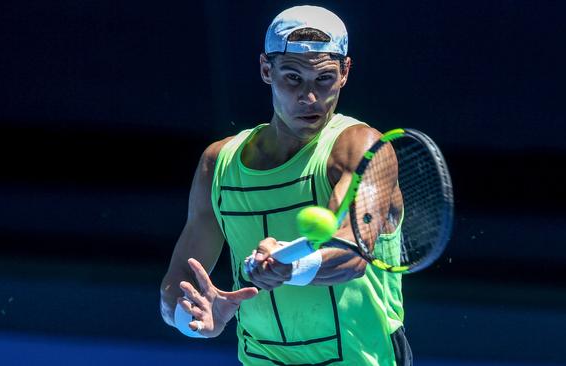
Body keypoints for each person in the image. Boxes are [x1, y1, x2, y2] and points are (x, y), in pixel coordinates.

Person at [160, 5, 412, 365]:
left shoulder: (361, 148)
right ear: (267, 69)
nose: (309, 98)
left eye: (323, 78)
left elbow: (352, 253)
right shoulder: (218, 164)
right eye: (293, 78)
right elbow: (175, 288)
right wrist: (195, 315)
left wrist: (290, 268)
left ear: (344, 72)